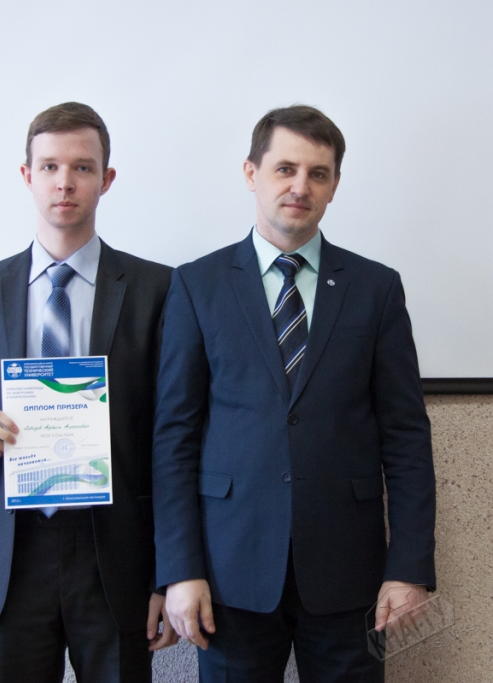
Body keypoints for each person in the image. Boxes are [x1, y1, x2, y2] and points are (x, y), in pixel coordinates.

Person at [152, 105, 436, 682]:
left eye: (318, 173)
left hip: (350, 576)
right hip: (228, 575)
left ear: (334, 184)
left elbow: (406, 437)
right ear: (251, 173)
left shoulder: (376, 288)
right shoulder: (197, 285)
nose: (300, 187)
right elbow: (174, 438)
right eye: (285, 169)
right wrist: (179, 569)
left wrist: (409, 567)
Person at [0, 102, 177, 683]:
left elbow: (173, 435)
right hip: (14, 554)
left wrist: (168, 573)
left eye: (82, 167)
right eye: (49, 166)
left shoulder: (158, 288)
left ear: (106, 179)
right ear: (27, 176)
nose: (64, 182)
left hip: (116, 554)